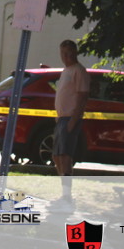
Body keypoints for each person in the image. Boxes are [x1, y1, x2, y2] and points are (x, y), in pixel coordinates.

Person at [51, 39, 90, 208]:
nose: (66, 56)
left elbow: (82, 97)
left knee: (66, 156)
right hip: (61, 118)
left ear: (75, 53)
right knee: (56, 155)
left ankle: (67, 196)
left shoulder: (79, 71)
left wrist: (73, 120)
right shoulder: (65, 71)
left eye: (69, 53)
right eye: (63, 53)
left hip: (70, 118)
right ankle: (63, 191)